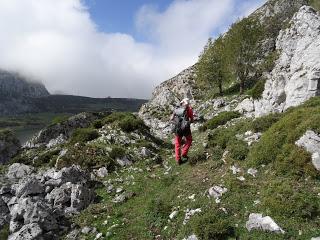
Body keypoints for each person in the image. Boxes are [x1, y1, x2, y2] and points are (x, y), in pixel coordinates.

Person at [170, 98, 194, 165]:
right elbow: (192, 120)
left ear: (181, 102)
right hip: (186, 128)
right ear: (187, 103)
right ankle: (184, 153)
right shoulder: (189, 109)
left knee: (177, 143)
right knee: (189, 139)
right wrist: (189, 121)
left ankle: (178, 159)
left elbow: (171, 118)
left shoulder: (177, 109)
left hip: (177, 128)